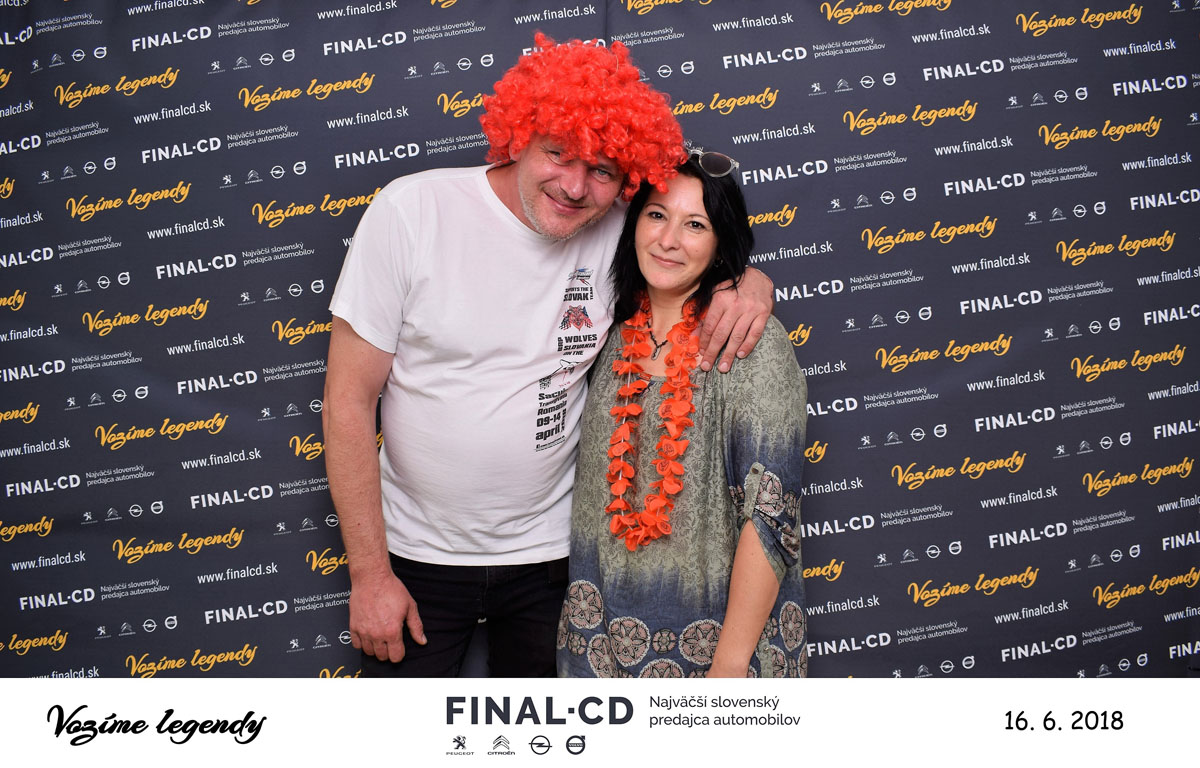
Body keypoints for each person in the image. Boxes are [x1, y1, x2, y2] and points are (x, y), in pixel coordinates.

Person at [323, 35, 776, 677]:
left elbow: (696, 238)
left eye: (603, 170)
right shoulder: (412, 211)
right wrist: (369, 574)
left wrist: (749, 280)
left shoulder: (623, 232)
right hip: (416, 556)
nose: (574, 186)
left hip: (555, 560)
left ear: (625, 180)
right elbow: (347, 402)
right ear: (519, 135)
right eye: (558, 152)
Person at [558, 149, 809, 678]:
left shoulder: (751, 345)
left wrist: (728, 669)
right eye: (656, 215)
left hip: (716, 655)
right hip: (597, 651)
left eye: (695, 224)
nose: (668, 239)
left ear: (720, 243)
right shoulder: (605, 337)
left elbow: (770, 518)